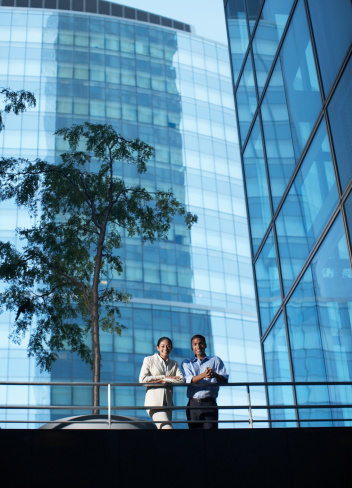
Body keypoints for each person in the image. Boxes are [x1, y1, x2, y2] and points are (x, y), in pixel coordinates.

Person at [181, 334, 228, 429]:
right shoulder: (187, 363)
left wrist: (214, 374)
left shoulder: (215, 360)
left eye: (200, 343)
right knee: (195, 437)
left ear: (205, 345)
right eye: (195, 344)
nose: (198, 346)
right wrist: (204, 374)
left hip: (210, 403)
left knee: (210, 436)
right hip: (193, 404)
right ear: (192, 347)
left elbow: (224, 380)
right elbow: (188, 380)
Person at [139, 337, 184, 429]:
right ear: (158, 348)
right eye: (162, 346)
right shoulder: (149, 360)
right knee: (167, 427)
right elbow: (143, 380)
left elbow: (181, 380)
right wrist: (164, 378)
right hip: (154, 404)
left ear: (171, 348)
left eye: (168, 346)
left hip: (168, 404)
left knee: (163, 429)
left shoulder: (174, 363)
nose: (165, 349)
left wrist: (160, 381)